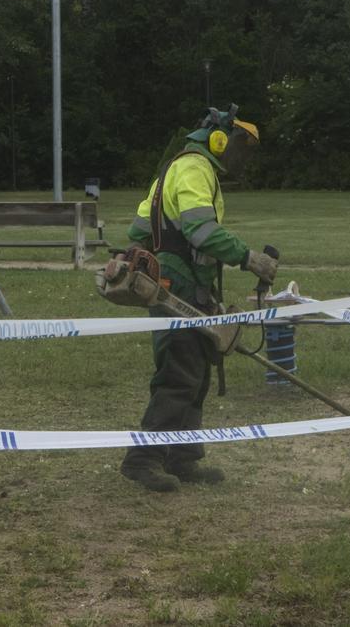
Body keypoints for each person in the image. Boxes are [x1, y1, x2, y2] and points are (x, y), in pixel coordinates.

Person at [120, 105, 279, 492]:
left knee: (195, 371)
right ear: (220, 140)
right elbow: (200, 230)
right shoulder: (194, 168)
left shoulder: (175, 168)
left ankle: (183, 458)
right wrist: (249, 258)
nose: (243, 155)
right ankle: (142, 459)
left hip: (181, 278)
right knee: (179, 372)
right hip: (179, 281)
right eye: (242, 146)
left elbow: (138, 228)